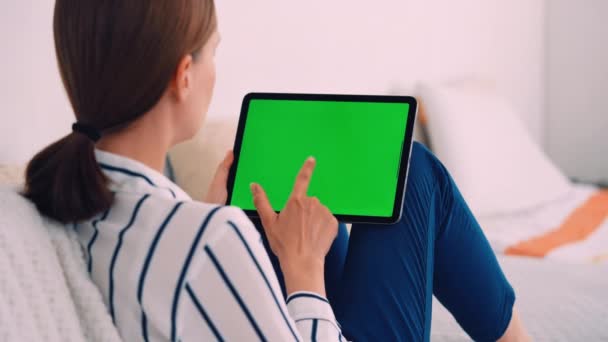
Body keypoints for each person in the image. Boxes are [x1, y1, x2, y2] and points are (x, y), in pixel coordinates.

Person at [24, 0, 529, 341]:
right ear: (184, 75)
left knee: (321, 204)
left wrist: (207, 210)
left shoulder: (65, 197)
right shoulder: (210, 238)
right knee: (415, 171)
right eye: (214, 52)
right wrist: (304, 272)